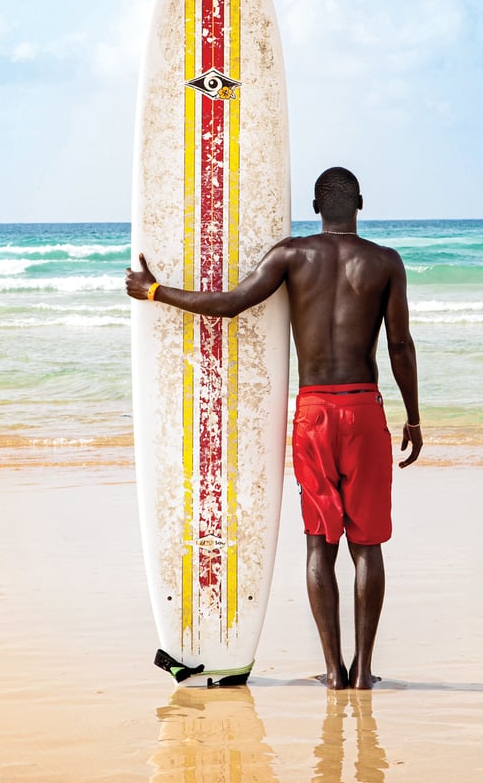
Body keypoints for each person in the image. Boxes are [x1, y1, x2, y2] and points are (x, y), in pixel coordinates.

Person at [125, 167, 422, 689]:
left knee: (318, 546)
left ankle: (332, 672)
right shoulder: (385, 262)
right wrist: (414, 416)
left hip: (312, 414)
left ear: (314, 205)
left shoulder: (291, 255)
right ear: (361, 202)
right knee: (367, 546)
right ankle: (363, 674)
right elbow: (400, 345)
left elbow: (230, 305)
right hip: (363, 408)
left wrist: (155, 291)